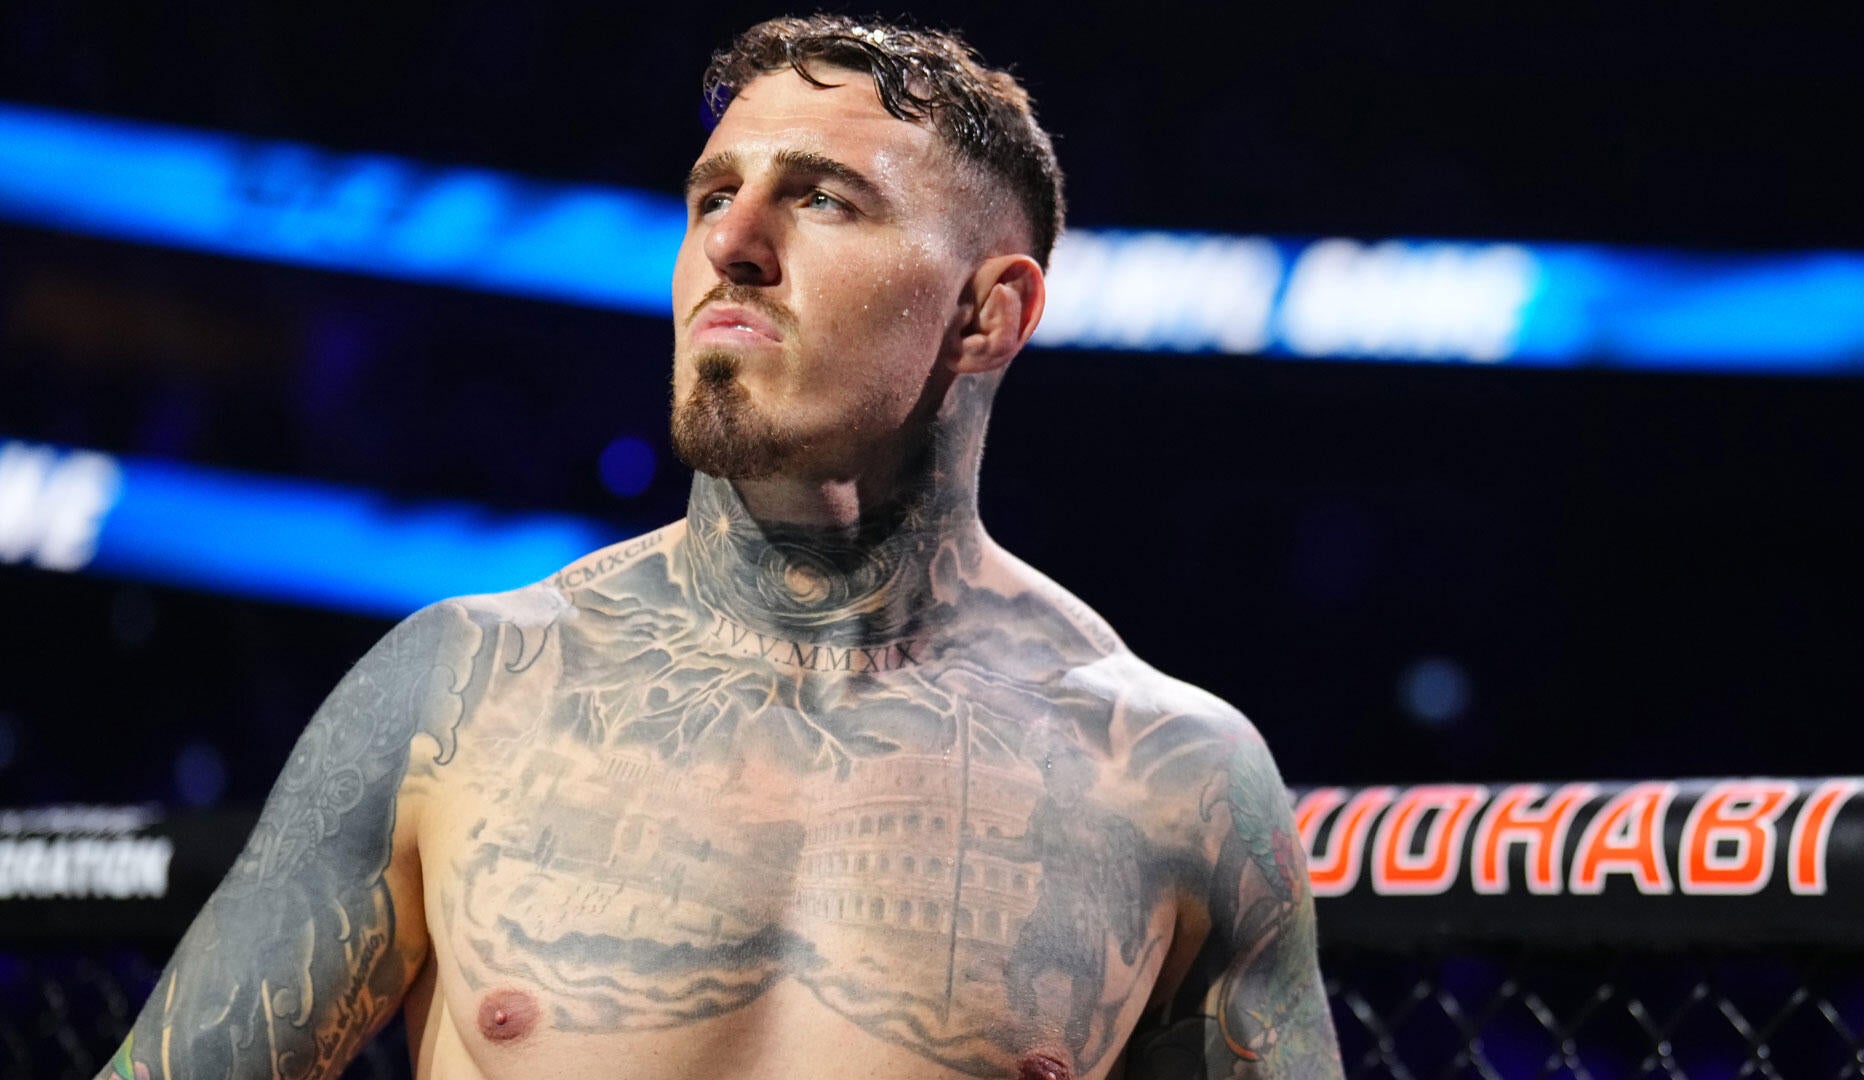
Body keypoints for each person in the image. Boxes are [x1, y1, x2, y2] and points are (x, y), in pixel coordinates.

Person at [101, 14, 1341, 1080]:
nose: (731, 244)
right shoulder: (463, 689)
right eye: (711, 195)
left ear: (988, 313)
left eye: (822, 198)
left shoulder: (1170, 778)